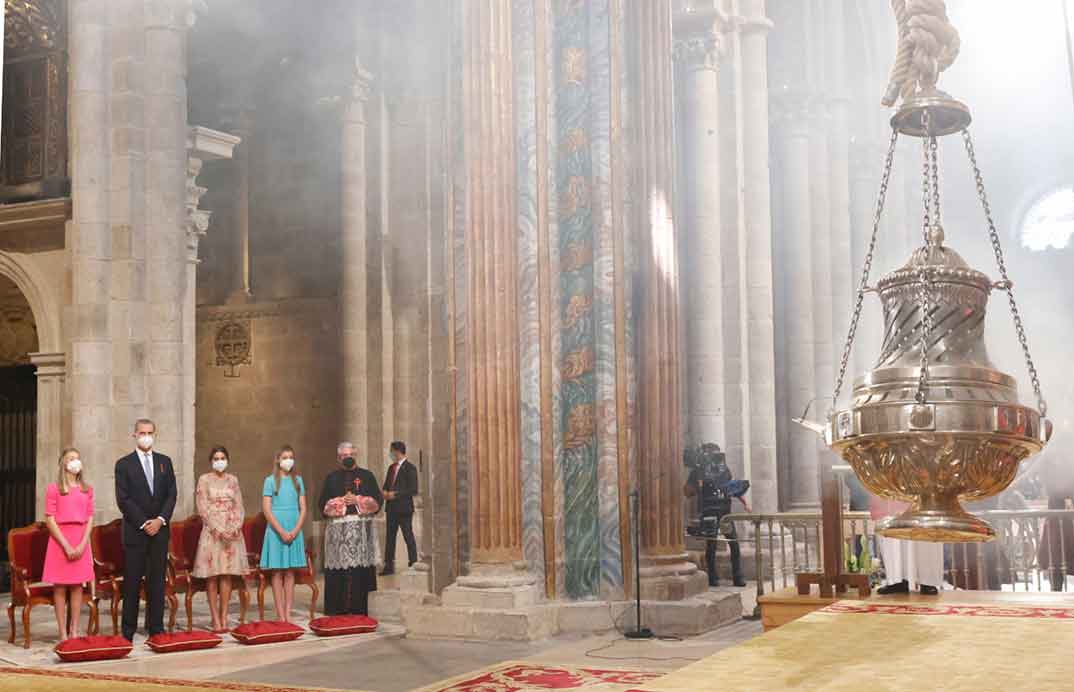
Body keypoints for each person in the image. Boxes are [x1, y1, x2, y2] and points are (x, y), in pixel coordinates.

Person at [115, 418, 177, 641]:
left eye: (150, 432)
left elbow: (171, 495)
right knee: (132, 582)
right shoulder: (124, 464)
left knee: (156, 581)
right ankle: (128, 631)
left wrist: (160, 520)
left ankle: (156, 628)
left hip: (159, 531)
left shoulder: (164, 462)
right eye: (142, 432)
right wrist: (144, 522)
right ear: (135, 435)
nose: (146, 436)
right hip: (136, 531)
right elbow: (124, 499)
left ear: (155, 434)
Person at [319, 442, 383, 615]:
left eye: (351, 455)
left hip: (361, 533)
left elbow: (378, 501)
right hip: (338, 535)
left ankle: (359, 609)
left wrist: (358, 501)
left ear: (356, 455)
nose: (348, 458)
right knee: (339, 571)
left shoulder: (367, 476)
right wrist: (341, 502)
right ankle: (336, 609)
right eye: (344, 455)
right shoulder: (331, 478)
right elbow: (321, 505)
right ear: (339, 458)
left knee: (359, 571)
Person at [193, 446, 248, 632]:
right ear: (211, 460)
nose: (219, 460)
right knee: (213, 575)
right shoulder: (204, 479)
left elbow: (239, 505)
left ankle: (224, 616)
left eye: (222, 457)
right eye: (216, 458)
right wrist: (218, 528)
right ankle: (215, 619)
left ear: (227, 459)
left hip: (231, 533)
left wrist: (234, 527)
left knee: (226, 574)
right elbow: (202, 507)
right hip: (212, 532)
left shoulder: (233, 480)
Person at [42, 448, 94, 641]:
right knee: (60, 587)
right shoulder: (54, 489)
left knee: (77, 586)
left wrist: (82, 544)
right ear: (63, 463)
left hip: (81, 539)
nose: (75, 462)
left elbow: (90, 518)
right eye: (71, 458)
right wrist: (65, 545)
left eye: (77, 458)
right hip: (60, 540)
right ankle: (63, 633)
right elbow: (50, 519)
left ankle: (74, 631)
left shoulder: (87, 489)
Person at [684, 443, 749, 587]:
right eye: (712, 454)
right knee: (711, 543)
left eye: (717, 454)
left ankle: (738, 577)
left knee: (733, 543)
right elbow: (687, 493)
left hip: (725, 511)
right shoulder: (698, 470)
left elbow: (731, 486)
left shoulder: (723, 469)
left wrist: (745, 502)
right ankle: (713, 578)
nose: (715, 458)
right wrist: (698, 480)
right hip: (709, 510)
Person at [260, 445, 307, 622]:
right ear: (278, 459)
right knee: (277, 572)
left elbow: (303, 509)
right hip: (276, 529)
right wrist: (280, 531)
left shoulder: (298, 481)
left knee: (290, 573)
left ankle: (288, 613)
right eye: (285, 457)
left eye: (291, 457)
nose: (288, 460)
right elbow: (266, 509)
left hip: (294, 528)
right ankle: (280, 615)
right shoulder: (270, 481)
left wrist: (295, 530)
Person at [871, 496, 942, 595]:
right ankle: (897, 581)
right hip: (890, 495)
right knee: (893, 540)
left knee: (924, 541)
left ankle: (927, 582)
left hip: (922, 496)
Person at [381, 441, 418, 575]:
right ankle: (388, 566)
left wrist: (395, 494)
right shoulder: (391, 468)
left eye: (391, 451)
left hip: (404, 509)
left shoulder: (410, 468)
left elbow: (413, 490)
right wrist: (384, 492)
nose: (390, 454)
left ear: (397, 451)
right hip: (391, 509)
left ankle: (413, 563)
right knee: (390, 538)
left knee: (408, 536)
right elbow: (386, 485)